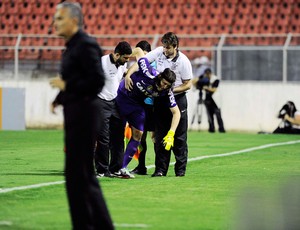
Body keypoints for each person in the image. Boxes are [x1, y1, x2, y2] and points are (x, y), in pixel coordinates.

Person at [49, 2, 114, 229]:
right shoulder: (71, 46)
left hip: (86, 114)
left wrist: (66, 86)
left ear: (74, 20)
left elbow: (96, 81)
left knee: (82, 176)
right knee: (78, 177)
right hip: (75, 114)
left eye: (59, 19)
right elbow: (74, 80)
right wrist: (59, 98)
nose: (54, 23)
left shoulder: (86, 45)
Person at [125, 32, 193, 177]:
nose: (165, 50)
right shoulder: (159, 52)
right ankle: (160, 170)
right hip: (160, 100)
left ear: (175, 46)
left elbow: (188, 84)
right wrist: (129, 74)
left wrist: (170, 90)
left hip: (178, 99)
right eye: (164, 46)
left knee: (179, 137)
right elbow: (140, 62)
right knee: (160, 136)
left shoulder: (183, 61)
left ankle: (180, 171)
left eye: (168, 48)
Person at [116, 47, 181, 179]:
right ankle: (104, 165)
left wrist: (171, 133)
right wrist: (127, 73)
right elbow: (139, 51)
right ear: (160, 77)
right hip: (123, 96)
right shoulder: (149, 72)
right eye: (163, 83)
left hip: (137, 105)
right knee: (115, 133)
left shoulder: (166, 91)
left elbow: (176, 113)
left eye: (167, 86)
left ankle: (122, 168)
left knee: (138, 134)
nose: (163, 87)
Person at [94, 41, 132, 178]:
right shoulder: (101, 63)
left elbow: (121, 76)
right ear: (117, 54)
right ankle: (102, 170)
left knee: (118, 137)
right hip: (101, 102)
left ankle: (115, 168)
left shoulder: (122, 64)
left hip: (116, 103)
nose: (127, 60)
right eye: (125, 58)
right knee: (103, 137)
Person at [130, 40, 155, 175]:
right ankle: (142, 166)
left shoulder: (154, 65)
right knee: (140, 138)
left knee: (155, 137)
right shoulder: (137, 66)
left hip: (152, 106)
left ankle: (160, 166)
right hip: (140, 106)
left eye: (144, 55)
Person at [195, 68, 226, 133]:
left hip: (215, 101)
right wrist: (199, 79)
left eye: (208, 74)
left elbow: (214, 89)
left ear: (210, 73)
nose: (207, 75)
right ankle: (211, 129)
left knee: (218, 116)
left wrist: (207, 88)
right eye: (206, 74)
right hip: (208, 100)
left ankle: (221, 129)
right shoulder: (204, 79)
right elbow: (194, 81)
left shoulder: (215, 79)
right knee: (210, 116)